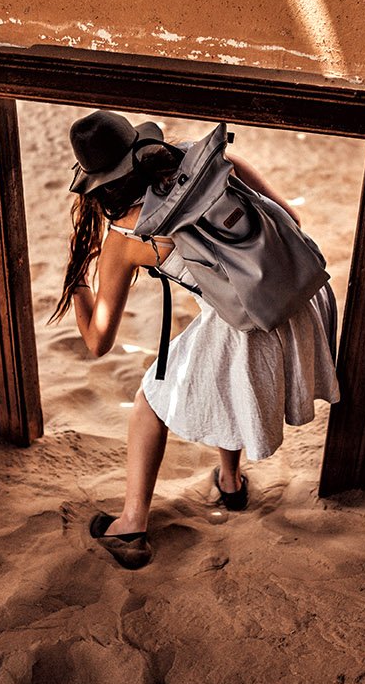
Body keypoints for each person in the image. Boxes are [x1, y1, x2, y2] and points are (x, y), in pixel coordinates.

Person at [52, 110, 341, 569]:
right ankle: (230, 482)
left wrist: (80, 286)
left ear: (99, 185)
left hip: (250, 328)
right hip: (302, 295)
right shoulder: (211, 161)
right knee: (220, 371)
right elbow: (292, 217)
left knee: (151, 402)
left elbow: (98, 341)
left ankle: (130, 524)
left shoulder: (126, 236)